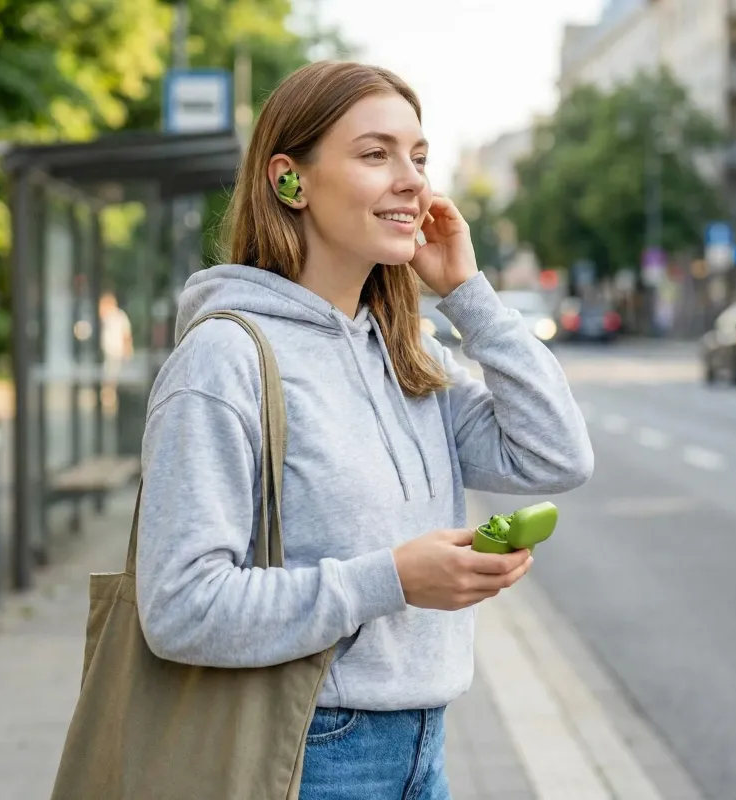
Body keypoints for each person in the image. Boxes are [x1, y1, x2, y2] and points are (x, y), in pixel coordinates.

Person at [136, 61, 594, 799]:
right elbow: (182, 609)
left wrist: (469, 298)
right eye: (376, 154)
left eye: (419, 156)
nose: (413, 180)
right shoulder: (226, 360)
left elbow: (556, 455)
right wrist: (392, 579)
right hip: (304, 754)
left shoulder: (407, 354)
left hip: (426, 746)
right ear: (291, 181)